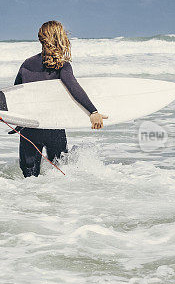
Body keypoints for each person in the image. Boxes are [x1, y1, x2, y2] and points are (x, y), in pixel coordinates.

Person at [14, 20, 107, 177]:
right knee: (60, 176)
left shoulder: (27, 64)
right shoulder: (62, 65)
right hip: (53, 128)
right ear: (60, 38)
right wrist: (93, 111)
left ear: (40, 39)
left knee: (28, 180)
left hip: (29, 129)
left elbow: (16, 95)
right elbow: (73, 87)